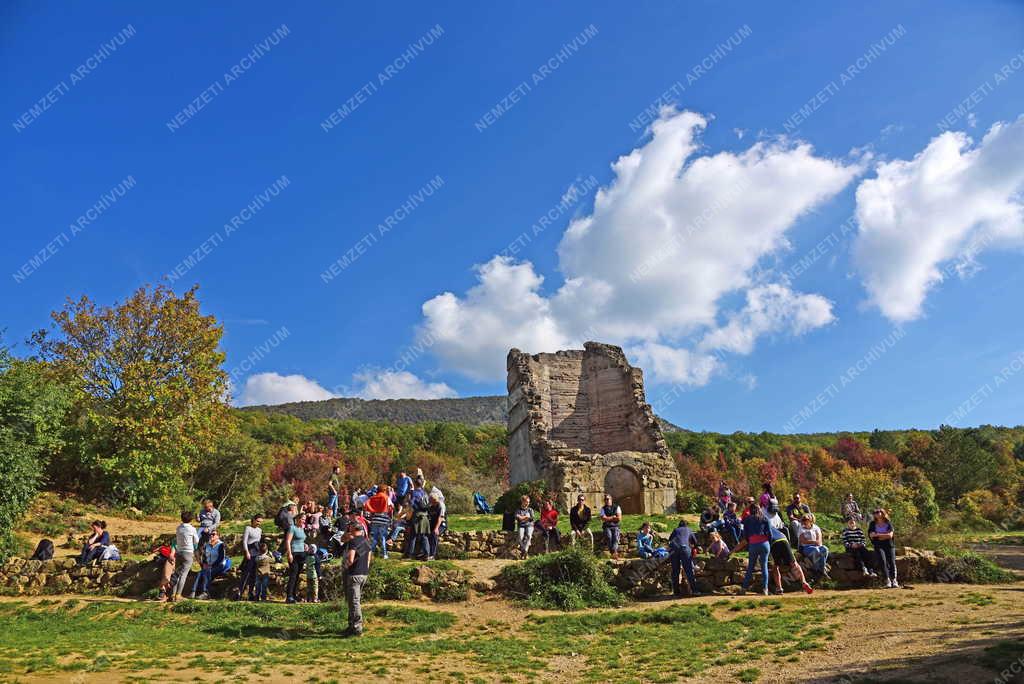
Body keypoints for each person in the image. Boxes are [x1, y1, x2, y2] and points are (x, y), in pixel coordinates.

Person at [733, 504, 772, 595]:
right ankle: (765, 589)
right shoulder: (765, 518)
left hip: (753, 544)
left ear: (750, 510)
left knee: (750, 567)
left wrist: (750, 542)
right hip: (764, 544)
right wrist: (768, 543)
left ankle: (744, 589)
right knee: (764, 567)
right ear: (759, 509)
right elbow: (769, 533)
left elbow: (745, 535)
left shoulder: (747, 520)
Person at [342, 521, 373, 636]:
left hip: (354, 574)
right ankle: (351, 626)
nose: (349, 532)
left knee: (354, 602)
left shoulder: (353, 542)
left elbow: (350, 559)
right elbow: (369, 560)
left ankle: (357, 627)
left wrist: (345, 565)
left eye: (350, 529)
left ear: (354, 530)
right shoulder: (367, 542)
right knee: (353, 601)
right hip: (364, 574)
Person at [766, 524, 814, 594]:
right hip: (784, 539)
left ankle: (779, 588)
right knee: (794, 563)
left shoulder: (759, 526)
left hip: (774, 543)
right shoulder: (769, 524)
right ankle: (804, 582)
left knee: (776, 566)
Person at [169, 511, 200, 601]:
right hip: (188, 553)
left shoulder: (178, 528)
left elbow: (176, 540)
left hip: (179, 553)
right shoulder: (192, 529)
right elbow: (196, 541)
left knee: (176, 574)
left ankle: (172, 595)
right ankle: (178, 595)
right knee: (183, 575)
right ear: (191, 519)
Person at [191, 529, 230, 599]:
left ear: (218, 536)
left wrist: (211, 565)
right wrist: (205, 563)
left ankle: (205, 593)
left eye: (213, 534)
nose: (211, 535)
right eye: (210, 534)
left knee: (206, 571)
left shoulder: (221, 545)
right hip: (210, 566)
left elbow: (221, 559)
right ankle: (193, 592)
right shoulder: (207, 545)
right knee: (200, 572)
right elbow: (205, 557)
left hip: (220, 566)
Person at [668, 518, 700, 596]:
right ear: (687, 525)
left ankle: (676, 592)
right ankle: (695, 590)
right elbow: (695, 541)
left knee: (675, 571)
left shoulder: (676, 530)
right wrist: (695, 547)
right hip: (685, 549)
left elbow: (670, 539)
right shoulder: (689, 530)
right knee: (688, 570)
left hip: (674, 550)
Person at [868, 508, 898, 588]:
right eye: (874, 512)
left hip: (889, 545)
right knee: (882, 561)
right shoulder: (872, 524)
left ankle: (894, 580)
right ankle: (887, 580)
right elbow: (871, 535)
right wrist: (884, 535)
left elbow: (890, 536)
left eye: (878, 512)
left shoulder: (888, 523)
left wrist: (878, 535)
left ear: (882, 513)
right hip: (878, 545)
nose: (876, 514)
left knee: (891, 561)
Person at [237, 514, 263, 601]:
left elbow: (258, 542)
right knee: (246, 573)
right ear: (254, 520)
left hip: (256, 552)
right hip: (249, 552)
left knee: (254, 574)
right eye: (258, 521)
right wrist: (246, 552)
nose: (259, 523)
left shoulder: (259, 530)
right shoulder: (248, 528)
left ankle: (251, 593)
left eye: (260, 522)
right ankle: (239, 592)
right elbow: (244, 541)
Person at [797, 514, 830, 579]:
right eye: (803, 520)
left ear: (810, 520)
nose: (804, 521)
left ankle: (821, 569)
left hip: (817, 545)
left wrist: (817, 543)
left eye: (806, 520)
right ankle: (818, 570)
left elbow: (819, 539)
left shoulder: (816, 527)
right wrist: (814, 542)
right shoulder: (801, 528)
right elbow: (803, 541)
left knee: (825, 549)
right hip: (806, 547)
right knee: (816, 551)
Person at [285, 512, 308, 604]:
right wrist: (289, 554)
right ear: (298, 519)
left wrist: (305, 545)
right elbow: (287, 541)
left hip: (302, 553)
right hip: (294, 553)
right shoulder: (292, 528)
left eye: (304, 519)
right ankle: (289, 596)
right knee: (293, 575)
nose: (304, 521)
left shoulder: (302, 529)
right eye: (302, 519)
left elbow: (301, 540)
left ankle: (294, 595)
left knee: (298, 575)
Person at [366, 484, 394, 560]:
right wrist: (390, 518)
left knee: (374, 538)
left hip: (375, 519)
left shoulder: (373, 497)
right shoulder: (386, 497)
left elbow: (367, 506)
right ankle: (384, 554)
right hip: (384, 520)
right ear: (384, 490)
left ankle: (370, 554)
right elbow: (391, 507)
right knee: (382, 538)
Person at [406, 482, 432, 560]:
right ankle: (426, 555)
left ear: (415, 484)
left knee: (413, 536)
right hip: (425, 517)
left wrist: (409, 500)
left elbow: (412, 504)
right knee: (424, 536)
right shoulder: (425, 493)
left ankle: (409, 555)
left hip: (417, 516)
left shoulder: (414, 493)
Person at [427, 493, 446, 560]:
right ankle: (426, 553)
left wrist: (436, 528)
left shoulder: (441, 505)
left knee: (434, 535)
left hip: (441, 525)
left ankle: (432, 555)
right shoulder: (431, 506)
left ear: (434, 499)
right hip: (433, 524)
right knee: (426, 534)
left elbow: (440, 518)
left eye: (430, 500)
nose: (429, 501)